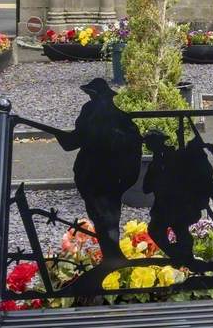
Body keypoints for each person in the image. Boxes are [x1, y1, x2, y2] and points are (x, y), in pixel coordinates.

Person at [23, 78, 140, 260]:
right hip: (99, 175)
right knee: (105, 216)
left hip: (101, 174)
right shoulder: (107, 115)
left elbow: (75, 141)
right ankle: (112, 256)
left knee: (106, 217)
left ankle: (113, 257)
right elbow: (76, 140)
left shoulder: (98, 115)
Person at [143, 127, 213, 270]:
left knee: (173, 229)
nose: (147, 146)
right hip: (164, 204)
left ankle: (185, 260)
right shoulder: (157, 161)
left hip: (178, 203)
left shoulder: (172, 157)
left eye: (150, 142)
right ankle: (181, 257)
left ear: (158, 143)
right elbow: (147, 188)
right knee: (167, 230)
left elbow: (181, 177)